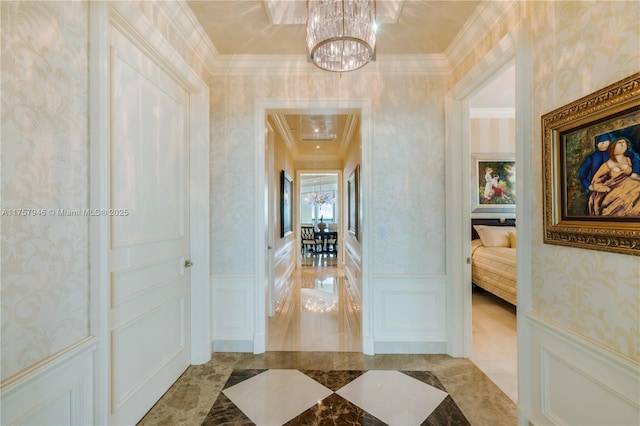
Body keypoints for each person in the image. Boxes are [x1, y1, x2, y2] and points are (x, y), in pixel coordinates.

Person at [588, 137, 640, 216]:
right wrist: (605, 188)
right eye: (619, 142)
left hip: (630, 187)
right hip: (613, 190)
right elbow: (595, 182)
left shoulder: (629, 159)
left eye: (624, 142)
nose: (622, 144)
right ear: (613, 147)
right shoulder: (607, 165)